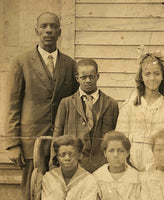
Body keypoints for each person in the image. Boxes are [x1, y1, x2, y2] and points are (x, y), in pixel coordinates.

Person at [6, 12, 78, 200]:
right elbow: (13, 105)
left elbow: (74, 104)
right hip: (31, 142)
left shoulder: (70, 64)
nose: (48, 30)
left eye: (53, 26)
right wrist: (13, 143)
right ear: (36, 30)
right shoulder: (21, 62)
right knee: (32, 192)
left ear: (59, 32)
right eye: (44, 26)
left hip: (61, 142)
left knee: (59, 192)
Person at [51, 58, 119, 172]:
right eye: (83, 77)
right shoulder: (66, 103)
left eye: (91, 77)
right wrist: (53, 165)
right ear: (77, 78)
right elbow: (57, 136)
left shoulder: (111, 104)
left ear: (97, 77)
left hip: (101, 166)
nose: (88, 81)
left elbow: (115, 137)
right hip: (73, 166)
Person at [116, 51, 164, 171]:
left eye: (156, 74)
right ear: (141, 77)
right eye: (147, 74)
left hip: (158, 165)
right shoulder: (130, 104)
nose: (152, 78)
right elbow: (120, 137)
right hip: (131, 165)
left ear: (162, 77)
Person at [42, 135, 97, 200]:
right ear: (57, 157)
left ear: (79, 155)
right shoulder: (49, 177)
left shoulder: (88, 179)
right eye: (62, 155)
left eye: (71, 154)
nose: (67, 158)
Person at [93, 131, 141, 200]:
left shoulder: (137, 178)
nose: (116, 155)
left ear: (127, 153)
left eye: (120, 151)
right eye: (111, 151)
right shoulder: (97, 177)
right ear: (105, 153)